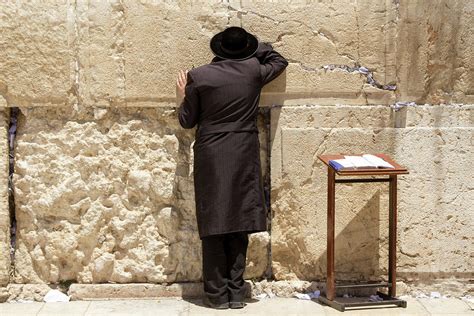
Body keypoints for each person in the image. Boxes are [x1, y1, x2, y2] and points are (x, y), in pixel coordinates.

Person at [176, 26, 288, 309]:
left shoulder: (199, 76)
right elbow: (278, 60)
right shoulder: (253, 71)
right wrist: (255, 48)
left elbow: (188, 121)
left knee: (214, 224)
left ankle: (216, 295)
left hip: (211, 154)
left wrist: (182, 95)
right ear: (245, 49)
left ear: (218, 48)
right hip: (242, 152)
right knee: (239, 223)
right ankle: (236, 294)